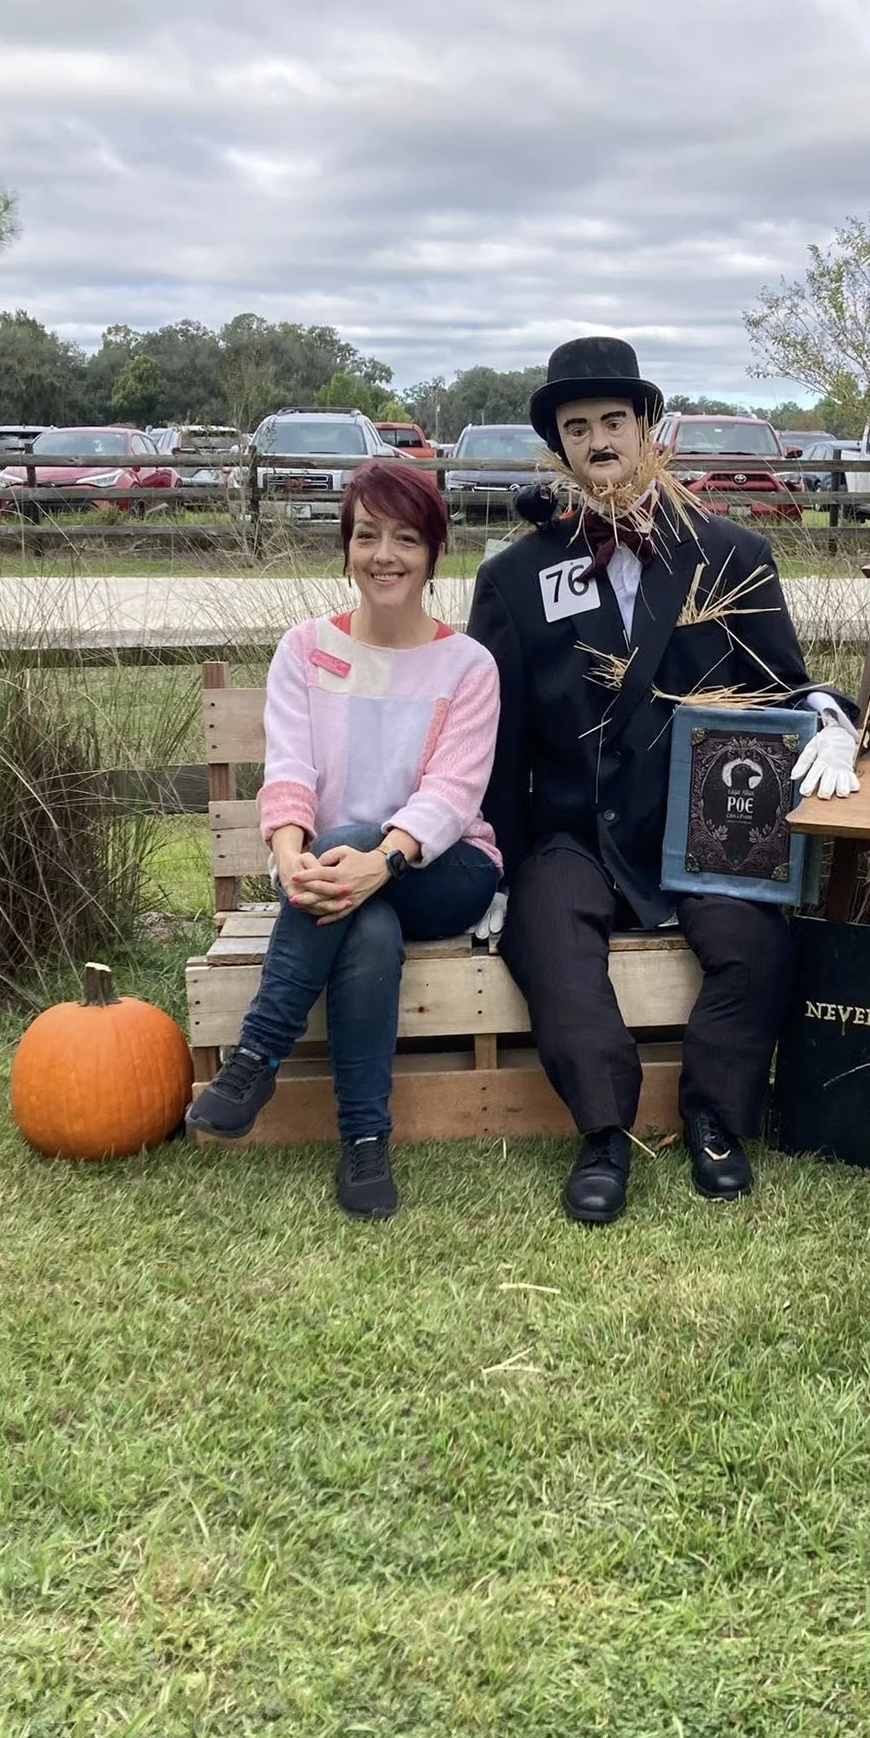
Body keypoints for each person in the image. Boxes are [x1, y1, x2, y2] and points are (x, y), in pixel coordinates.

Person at [468, 335, 859, 1225]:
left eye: (615, 420)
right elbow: (499, 740)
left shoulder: (730, 553)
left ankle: (717, 1120)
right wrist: (496, 866)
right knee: (550, 938)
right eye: (579, 427)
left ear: (650, 429)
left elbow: (783, 687)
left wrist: (834, 720)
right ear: (559, 448)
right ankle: (603, 1134)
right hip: (574, 831)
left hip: (701, 828)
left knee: (758, 941)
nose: (599, 440)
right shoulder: (517, 577)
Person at [186, 460, 501, 1218]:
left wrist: (380, 858)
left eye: (404, 538)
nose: (383, 555)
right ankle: (364, 1143)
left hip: (445, 870)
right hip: (333, 880)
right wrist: (291, 856)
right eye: (366, 536)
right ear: (346, 546)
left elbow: (452, 795)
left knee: (363, 854)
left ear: (433, 553)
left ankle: (257, 1053)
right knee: (368, 925)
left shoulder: (468, 665)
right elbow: (289, 768)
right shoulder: (303, 649)